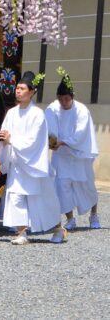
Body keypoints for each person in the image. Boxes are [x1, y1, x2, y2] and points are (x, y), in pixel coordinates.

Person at [0, 72, 65, 245]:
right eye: (17, 88)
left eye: (22, 89)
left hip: (34, 164)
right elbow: (5, 132)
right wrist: (4, 140)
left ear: (32, 92)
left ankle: (58, 229)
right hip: (17, 163)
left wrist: (11, 140)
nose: (18, 91)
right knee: (16, 197)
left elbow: (34, 141)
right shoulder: (12, 113)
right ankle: (22, 233)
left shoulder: (37, 114)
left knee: (42, 200)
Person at [44, 70, 100, 230]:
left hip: (80, 154)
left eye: (67, 99)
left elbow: (81, 133)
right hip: (61, 155)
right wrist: (53, 141)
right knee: (62, 187)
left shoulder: (81, 110)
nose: (63, 102)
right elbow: (49, 127)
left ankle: (94, 215)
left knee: (87, 185)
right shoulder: (53, 108)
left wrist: (63, 142)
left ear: (73, 97)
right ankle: (70, 219)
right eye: (61, 99)